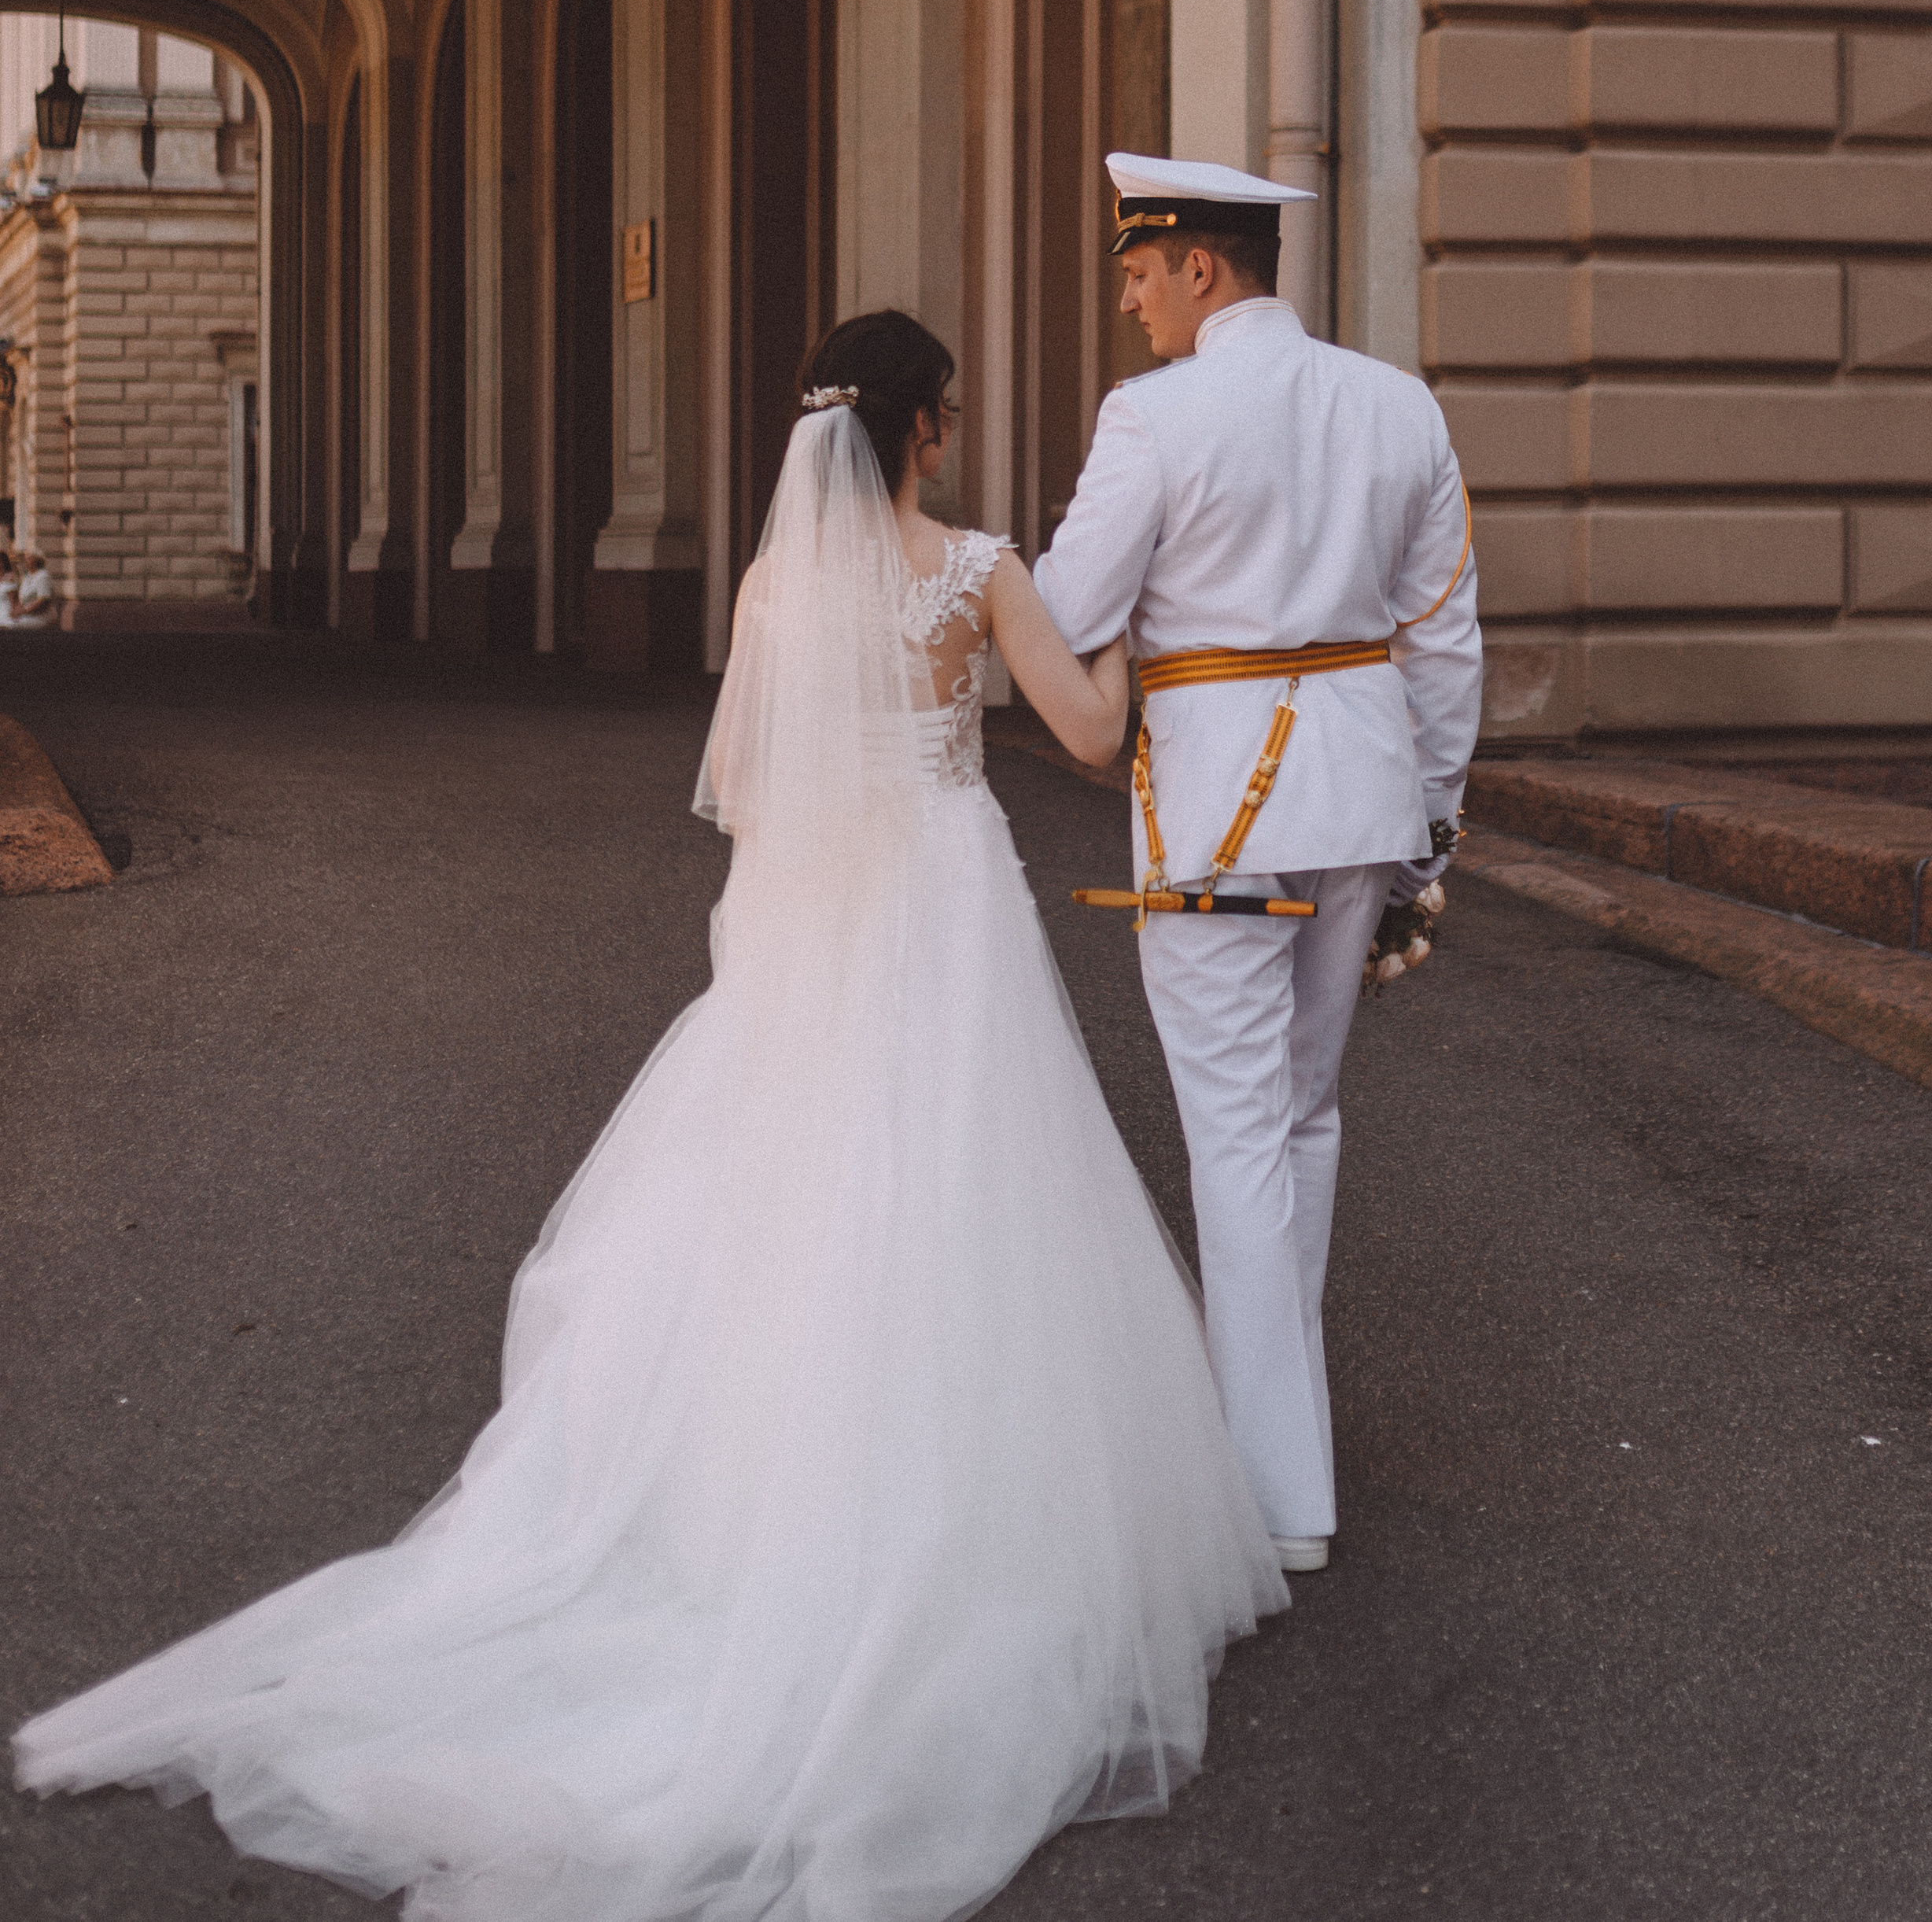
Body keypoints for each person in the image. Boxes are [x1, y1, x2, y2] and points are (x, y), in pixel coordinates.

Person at [15, 308, 1284, 1922]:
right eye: (946, 418)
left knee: (792, 1198)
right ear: (930, 431)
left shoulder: (770, 586)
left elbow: (747, 794)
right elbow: (1093, 733)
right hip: (944, 914)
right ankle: (945, 1517)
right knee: (956, 1196)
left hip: (816, 926)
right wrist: (1142, 633)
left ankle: (747, 1510)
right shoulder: (978, 570)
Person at [1032, 155, 1483, 1575]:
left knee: (1238, 1138)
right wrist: (1436, 831)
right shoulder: (1399, 403)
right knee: (1302, 1121)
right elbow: (1446, 642)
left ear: (1201, 268)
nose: (1129, 299)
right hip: (1363, 798)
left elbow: (1066, 609)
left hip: (1219, 812)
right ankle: (1276, 1444)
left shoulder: (1153, 415)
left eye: (1138, 273)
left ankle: (1276, 1498)